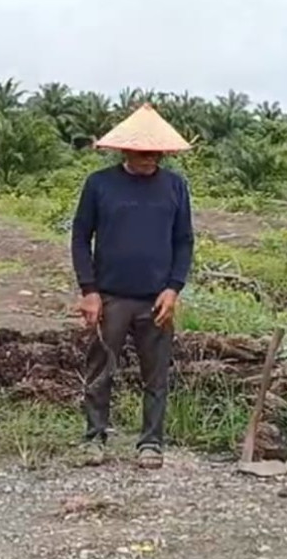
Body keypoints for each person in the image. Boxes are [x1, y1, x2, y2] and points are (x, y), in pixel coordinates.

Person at [70, 103, 195, 470]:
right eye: (142, 152)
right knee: (100, 369)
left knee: (155, 375)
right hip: (110, 296)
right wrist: (88, 290)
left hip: (156, 298)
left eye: (155, 153)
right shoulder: (99, 184)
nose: (149, 158)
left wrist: (173, 288)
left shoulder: (175, 186)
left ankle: (151, 443)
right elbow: (80, 238)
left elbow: (184, 240)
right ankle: (95, 437)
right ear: (125, 150)